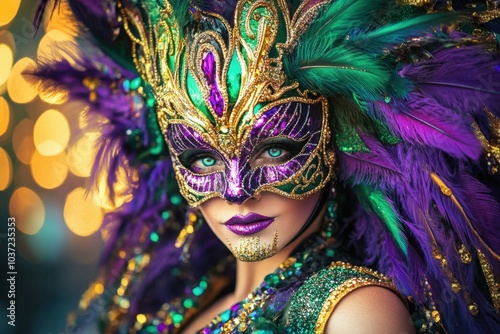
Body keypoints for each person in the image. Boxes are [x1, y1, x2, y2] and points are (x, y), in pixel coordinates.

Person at [33, 0, 500, 333]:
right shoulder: (187, 299)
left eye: (275, 148)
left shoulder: (354, 314)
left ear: (335, 140)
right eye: (202, 157)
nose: (237, 191)